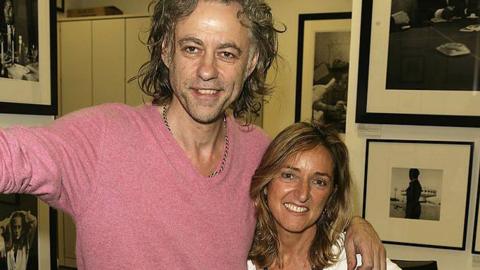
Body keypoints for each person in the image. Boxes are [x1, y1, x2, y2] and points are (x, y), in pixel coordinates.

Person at [0, 0, 385, 269]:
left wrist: (357, 225)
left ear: (251, 63)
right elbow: (13, 155)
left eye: (227, 54)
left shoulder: (259, 152)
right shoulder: (102, 138)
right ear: (166, 50)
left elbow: (307, 200)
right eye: (191, 47)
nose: (207, 70)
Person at [248, 122, 399, 270]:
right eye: (289, 175)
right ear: (266, 182)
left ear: (332, 195)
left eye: (319, 182)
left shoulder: (355, 262)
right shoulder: (241, 254)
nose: (302, 194)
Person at [312, 59, 348, 133]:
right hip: (331, 124)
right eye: (343, 72)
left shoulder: (348, 87)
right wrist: (333, 108)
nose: (346, 75)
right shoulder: (329, 87)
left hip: (343, 121)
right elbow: (315, 104)